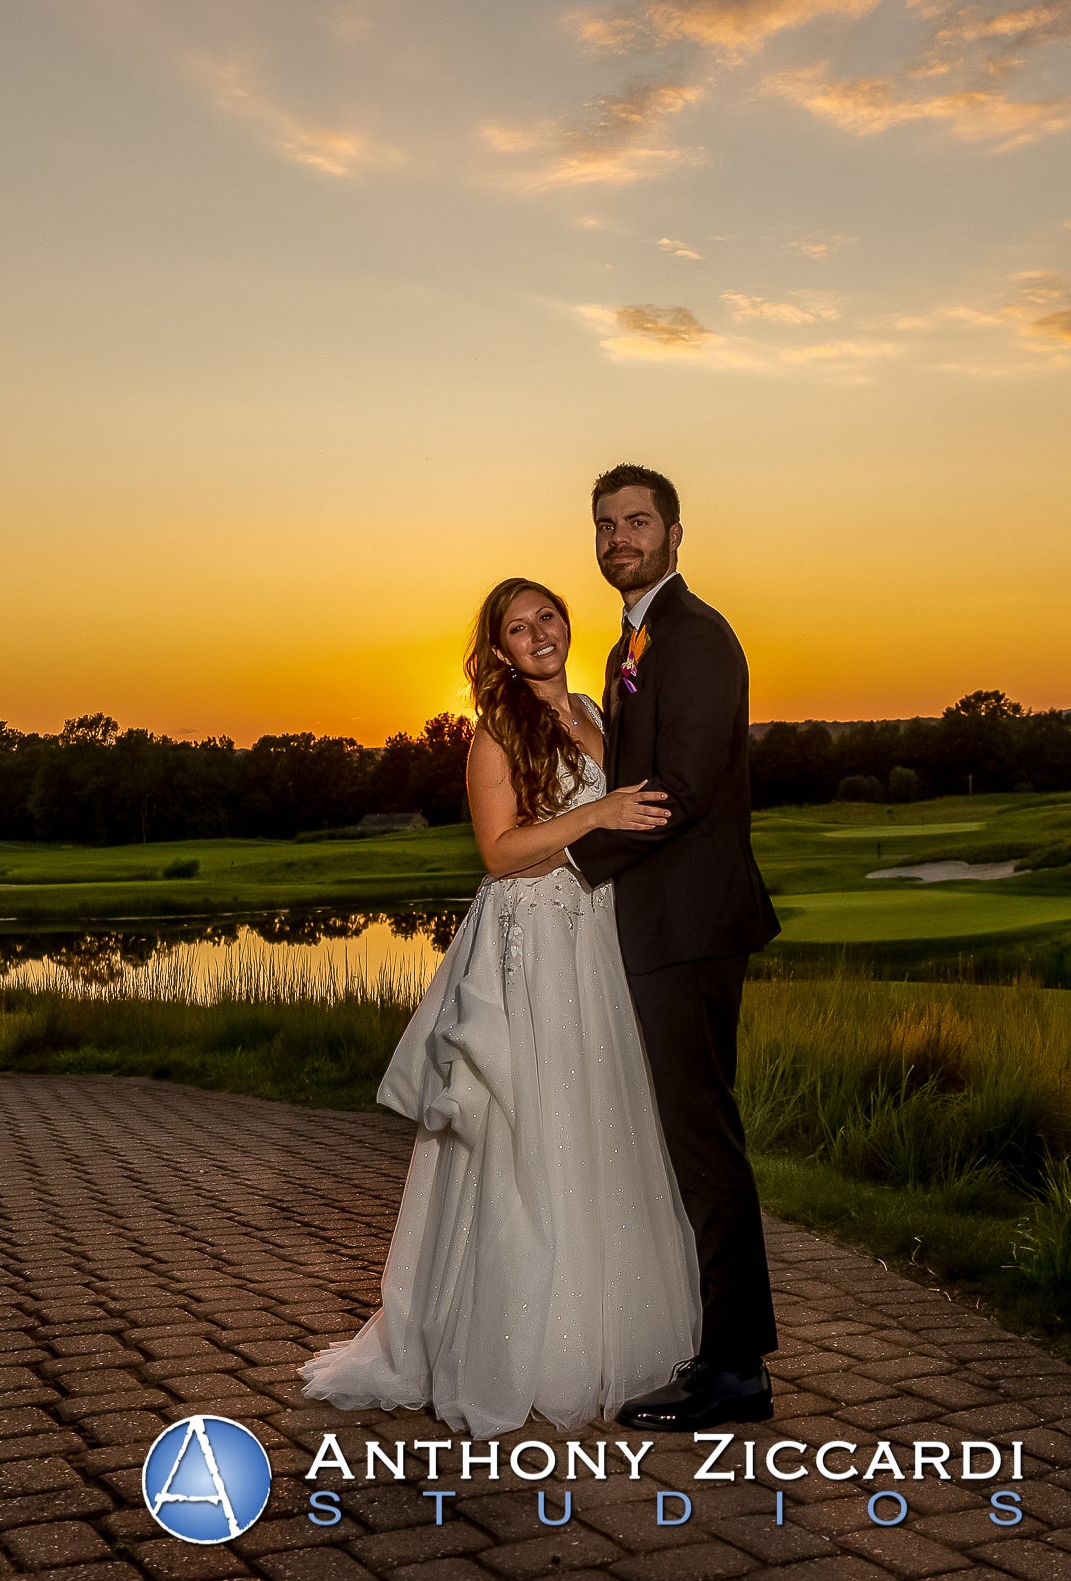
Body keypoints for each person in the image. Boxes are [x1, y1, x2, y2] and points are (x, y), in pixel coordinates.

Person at [298, 577, 702, 1437]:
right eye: (517, 628)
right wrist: (597, 810)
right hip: (534, 943)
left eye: (547, 615)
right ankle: (519, 1342)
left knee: (603, 1119)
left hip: (597, 935)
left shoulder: (598, 705)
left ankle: (617, 1328)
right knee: (531, 1129)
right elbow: (498, 849)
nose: (539, 632)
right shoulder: (495, 733)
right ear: (502, 650)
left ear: (565, 620)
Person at [569, 464, 783, 1431]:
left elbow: (683, 788)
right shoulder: (635, 641)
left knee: (703, 1139)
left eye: (638, 522)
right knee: (691, 1136)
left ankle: (734, 1370)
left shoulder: (697, 637)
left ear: (676, 533)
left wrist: (569, 861)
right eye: (608, 524)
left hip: (690, 923)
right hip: (661, 919)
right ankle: (719, 1347)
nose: (621, 538)